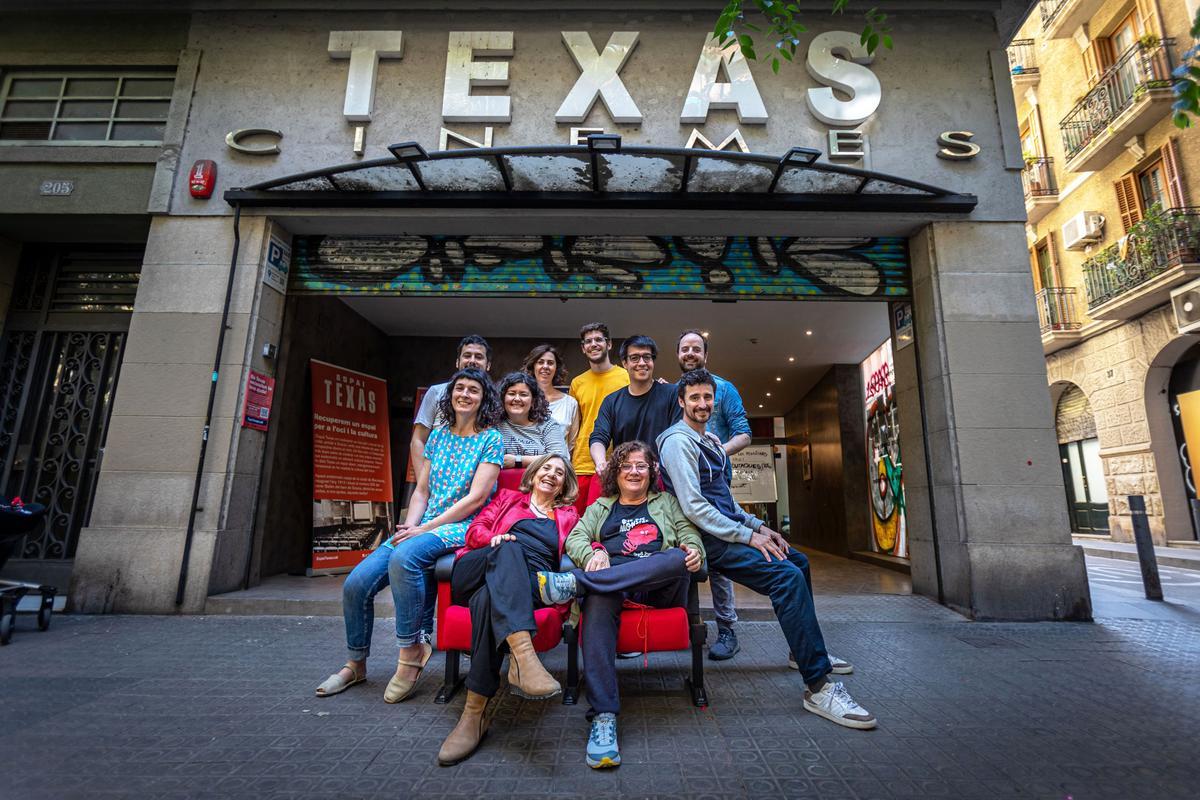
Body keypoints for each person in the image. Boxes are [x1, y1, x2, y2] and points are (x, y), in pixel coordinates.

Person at [657, 369, 875, 730]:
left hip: (727, 530)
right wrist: (746, 537)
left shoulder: (710, 439)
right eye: (693, 398)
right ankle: (819, 687)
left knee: (797, 562)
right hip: (706, 540)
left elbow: (723, 499)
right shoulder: (677, 441)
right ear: (681, 401)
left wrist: (759, 526)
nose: (702, 404)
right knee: (786, 578)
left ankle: (802, 650)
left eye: (707, 397)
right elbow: (694, 507)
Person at [316, 367, 504, 703]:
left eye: (473, 390)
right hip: (425, 523)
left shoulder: (491, 439)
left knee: (405, 557)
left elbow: (476, 498)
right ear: (450, 395)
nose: (464, 394)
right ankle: (355, 663)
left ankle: (412, 649)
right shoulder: (438, 435)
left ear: (483, 398)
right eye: (459, 388)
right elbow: (421, 490)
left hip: (462, 526)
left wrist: (425, 529)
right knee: (356, 584)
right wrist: (409, 526)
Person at [536, 441, 704, 769]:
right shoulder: (601, 506)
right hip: (612, 590)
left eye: (641, 465)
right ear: (616, 471)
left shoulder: (666, 502)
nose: (634, 471)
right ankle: (603, 716)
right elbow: (576, 539)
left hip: (659, 589)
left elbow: (689, 533)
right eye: (627, 465)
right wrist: (594, 553)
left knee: (676, 557)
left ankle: (577, 584)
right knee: (599, 598)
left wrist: (695, 550)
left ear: (651, 471)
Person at [437, 454, 580, 766]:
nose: (551, 475)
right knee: (509, 549)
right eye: (546, 468)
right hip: (480, 567)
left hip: (527, 587)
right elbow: (475, 531)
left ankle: (473, 715)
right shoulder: (506, 498)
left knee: (490, 598)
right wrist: (495, 538)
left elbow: (585, 542)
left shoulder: (568, 516)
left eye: (559, 473)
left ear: (563, 486)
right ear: (532, 474)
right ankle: (523, 658)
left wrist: (596, 553)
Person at [676, 328, 751, 661]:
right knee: (679, 556)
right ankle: (678, 626)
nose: (690, 353)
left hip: (716, 488)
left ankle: (727, 629)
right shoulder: (674, 392)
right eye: (684, 349)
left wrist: (719, 451)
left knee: (720, 560)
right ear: (678, 355)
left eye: (696, 348)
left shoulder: (726, 388)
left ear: (706, 354)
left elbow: (743, 434)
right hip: (680, 487)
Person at [588, 334, 680, 474]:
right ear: (625, 363)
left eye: (647, 357)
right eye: (635, 358)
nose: (642, 363)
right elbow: (599, 436)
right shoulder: (611, 401)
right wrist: (601, 462)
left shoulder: (673, 394)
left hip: (665, 477)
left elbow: (679, 436)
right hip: (627, 478)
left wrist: (663, 464)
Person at [410, 335, 492, 473]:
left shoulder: (494, 398)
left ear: (488, 365)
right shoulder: (436, 392)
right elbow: (418, 440)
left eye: (478, 357)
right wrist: (423, 485)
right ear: (457, 362)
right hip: (436, 475)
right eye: (467, 355)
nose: (472, 361)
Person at [568, 323, 629, 504]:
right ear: (583, 348)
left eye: (598, 340)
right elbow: (575, 424)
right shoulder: (577, 383)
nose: (593, 344)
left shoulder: (626, 376)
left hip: (617, 462)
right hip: (582, 463)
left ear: (609, 344)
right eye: (588, 341)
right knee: (577, 522)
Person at [495, 371, 569, 467]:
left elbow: (560, 459)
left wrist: (517, 461)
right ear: (502, 398)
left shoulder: (548, 425)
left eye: (523, 394)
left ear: (533, 400)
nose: (517, 399)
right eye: (512, 393)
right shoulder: (494, 423)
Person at [524, 343, 580, 453]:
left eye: (550, 363)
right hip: (526, 466)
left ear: (556, 368)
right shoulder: (522, 400)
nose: (545, 366)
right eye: (540, 362)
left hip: (558, 465)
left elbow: (572, 444)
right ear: (533, 366)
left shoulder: (570, 403)